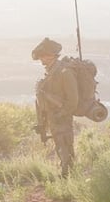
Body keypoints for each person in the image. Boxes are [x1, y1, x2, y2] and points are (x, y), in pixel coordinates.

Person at [32, 37, 80, 177]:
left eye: (43, 56)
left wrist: (61, 114)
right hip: (54, 117)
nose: (41, 60)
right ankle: (67, 173)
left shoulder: (64, 72)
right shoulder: (52, 72)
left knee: (65, 145)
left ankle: (68, 175)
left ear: (50, 55)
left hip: (62, 117)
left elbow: (73, 100)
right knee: (60, 145)